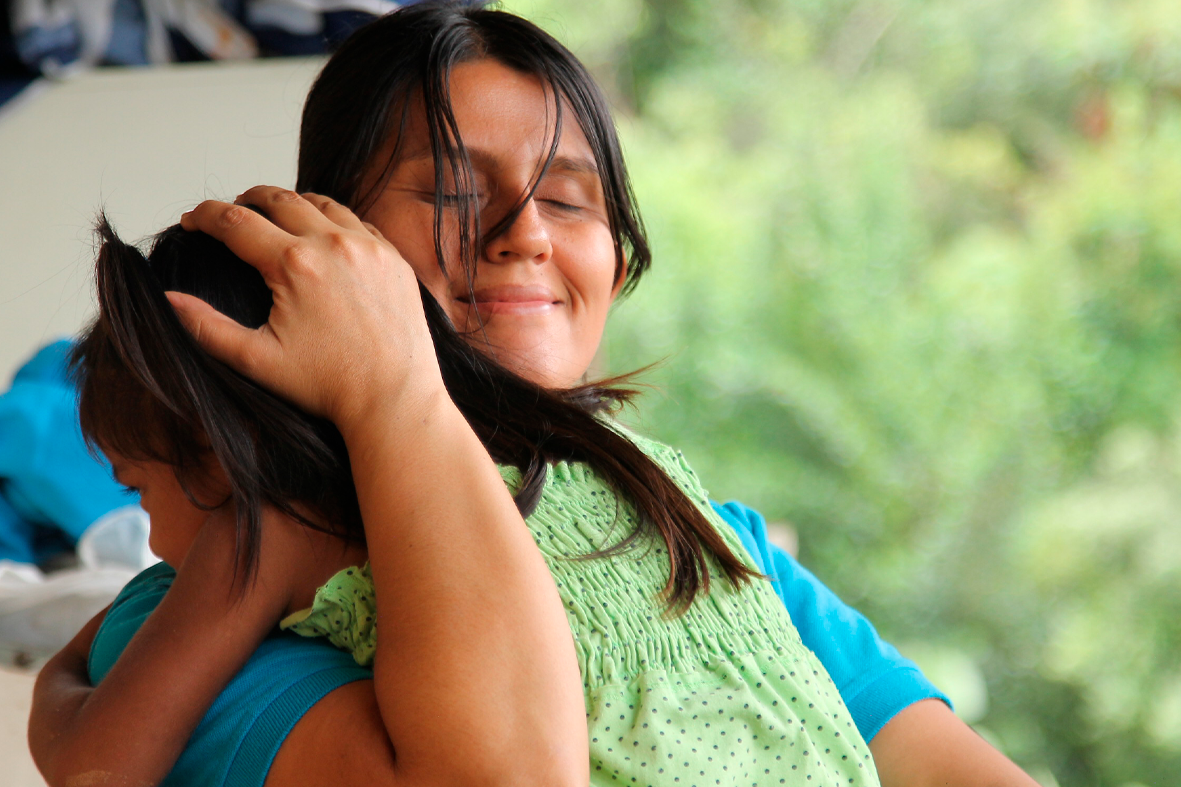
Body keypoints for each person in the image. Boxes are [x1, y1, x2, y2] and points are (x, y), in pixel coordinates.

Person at [29, 4, 1041, 786]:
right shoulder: (279, 550)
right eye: (456, 194)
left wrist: (59, 696)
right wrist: (392, 387)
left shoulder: (686, 522)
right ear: (335, 244)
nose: (523, 233)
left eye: (568, 197)